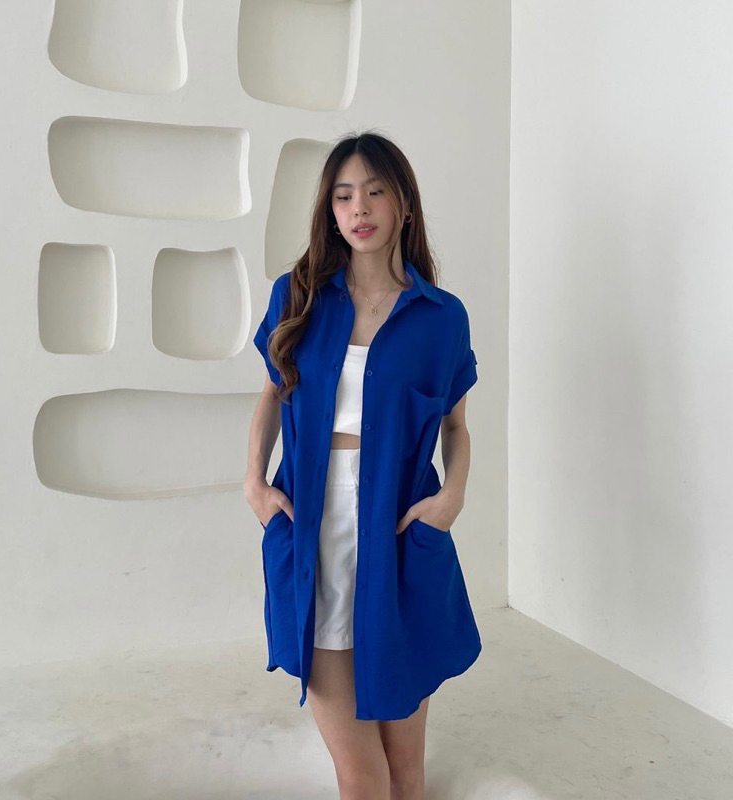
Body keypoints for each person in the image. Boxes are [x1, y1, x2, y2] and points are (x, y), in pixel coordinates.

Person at [245, 130, 481, 800]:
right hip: (313, 526)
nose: (360, 208)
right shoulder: (298, 296)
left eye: (375, 191)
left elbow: (456, 426)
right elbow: (271, 394)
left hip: (400, 532)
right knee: (362, 773)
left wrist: (452, 496)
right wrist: (254, 482)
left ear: (403, 202)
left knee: (406, 772)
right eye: (344, 195)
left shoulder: (441, 318)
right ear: (330, 210)